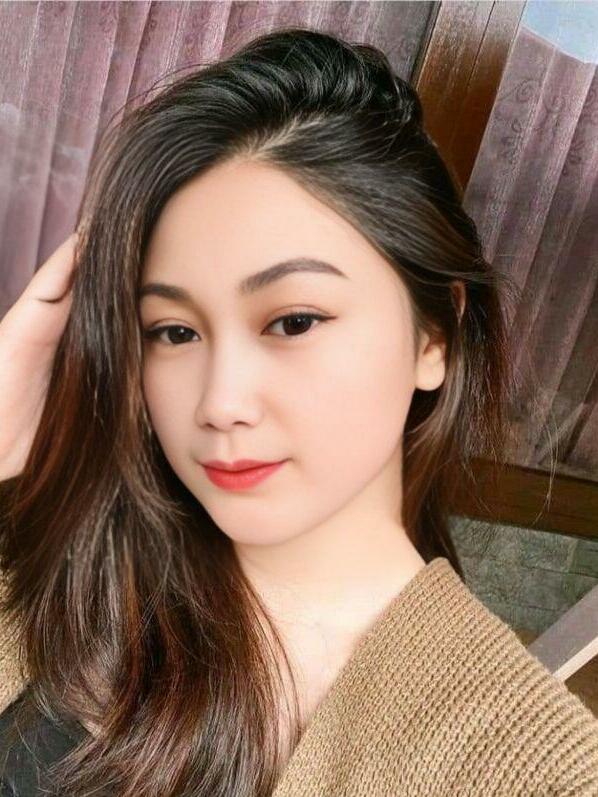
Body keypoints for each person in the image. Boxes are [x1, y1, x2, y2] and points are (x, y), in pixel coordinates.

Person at [1, 25, 597, 797]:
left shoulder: (535, 771)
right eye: (173, 331)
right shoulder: (57, 576)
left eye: (293, 321)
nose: (220, 402)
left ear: (435, 337)